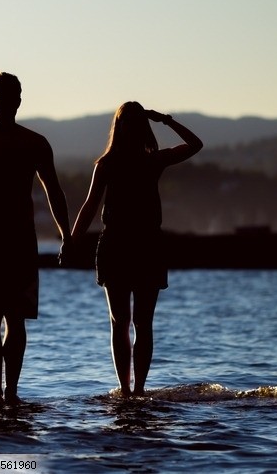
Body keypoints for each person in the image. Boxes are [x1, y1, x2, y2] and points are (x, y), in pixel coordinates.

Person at [71, 102, 203, 397]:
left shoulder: (141, 161)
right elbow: (89, 206)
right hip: (130, 245)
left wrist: (72, 241)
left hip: (135, 245)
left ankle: (132, 391)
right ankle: (133, 390)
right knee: (137, 324)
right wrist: (165, 121)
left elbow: (90, 206)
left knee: (127, 324)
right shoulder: (122, 163)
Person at [0, 72, 71, 407]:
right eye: (0, 98)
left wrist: (66, 235)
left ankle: (11, 392)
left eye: (10, 98)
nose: (5, 104)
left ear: (19, 101)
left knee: (15, 318)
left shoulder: (34, 143)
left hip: (20, 237)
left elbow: (54, 192)